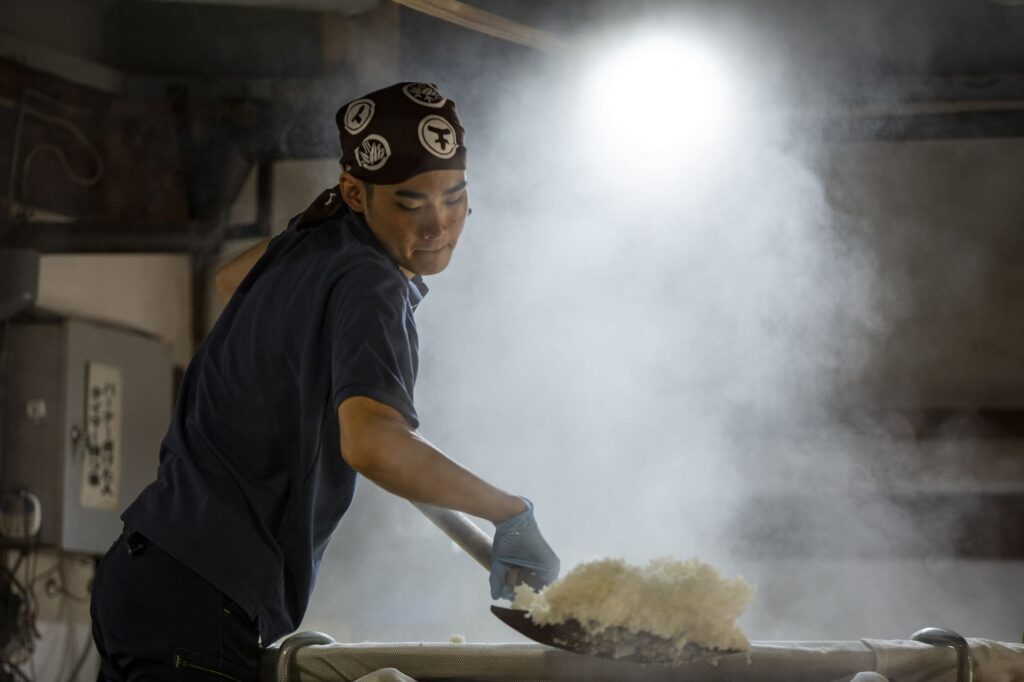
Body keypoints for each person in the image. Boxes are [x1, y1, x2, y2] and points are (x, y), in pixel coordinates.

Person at [90, 82, 560, 681]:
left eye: (455, 197)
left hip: (143, 575)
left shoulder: (311, 241)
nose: (438, 224)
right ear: (355, 193)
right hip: (203, 599)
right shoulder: (371, 281)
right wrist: (508, 512)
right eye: (409, 203)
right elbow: (370, 444)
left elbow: (233, 282)